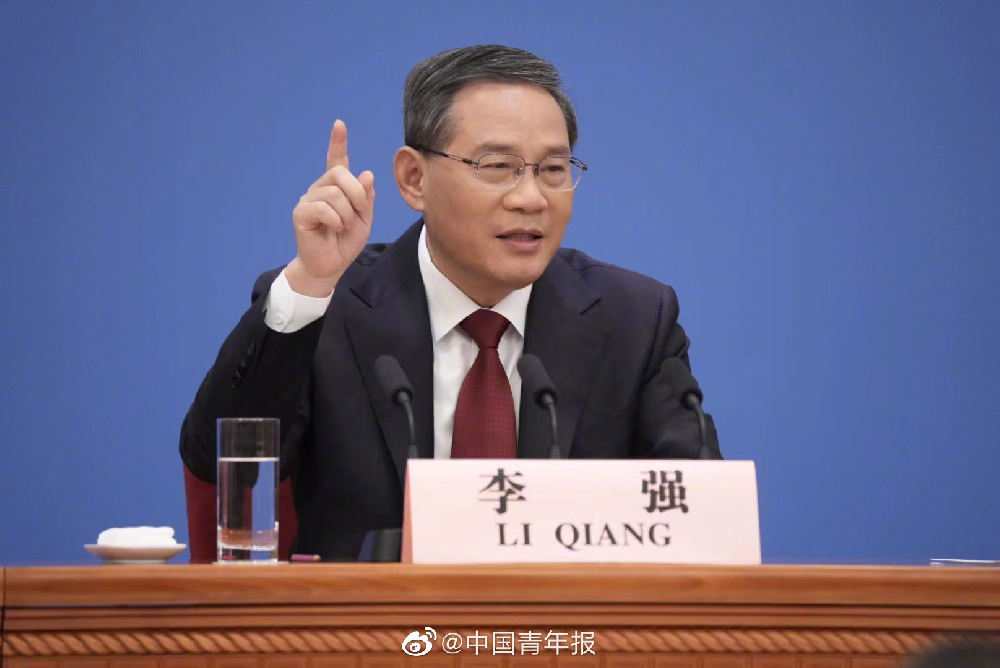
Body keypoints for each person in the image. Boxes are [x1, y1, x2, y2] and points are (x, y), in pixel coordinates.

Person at [180, 44, 721, 560]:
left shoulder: (633, 318)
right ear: (414, 179)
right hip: (371, 623)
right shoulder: (328, 308)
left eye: (553, 170)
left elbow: (698, 517)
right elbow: (220, 465)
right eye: (497, 166)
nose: (530, 198)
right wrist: (310, 283)